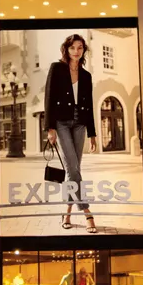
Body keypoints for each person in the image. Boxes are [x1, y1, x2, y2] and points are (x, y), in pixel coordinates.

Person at [45, 33, 99, 233]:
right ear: (66, 49)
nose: (76, 51)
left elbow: (90, 106)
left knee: (72, 170)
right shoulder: (56, 68)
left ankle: (67, 213)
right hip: (61, 123)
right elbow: (49, 98)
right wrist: (50, 128)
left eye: (80, 48)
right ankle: (87, 213)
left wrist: (93, 133)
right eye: (73, 48)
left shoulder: (86, 75)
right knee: (73, 168)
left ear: (83, 50)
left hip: (80, 124)